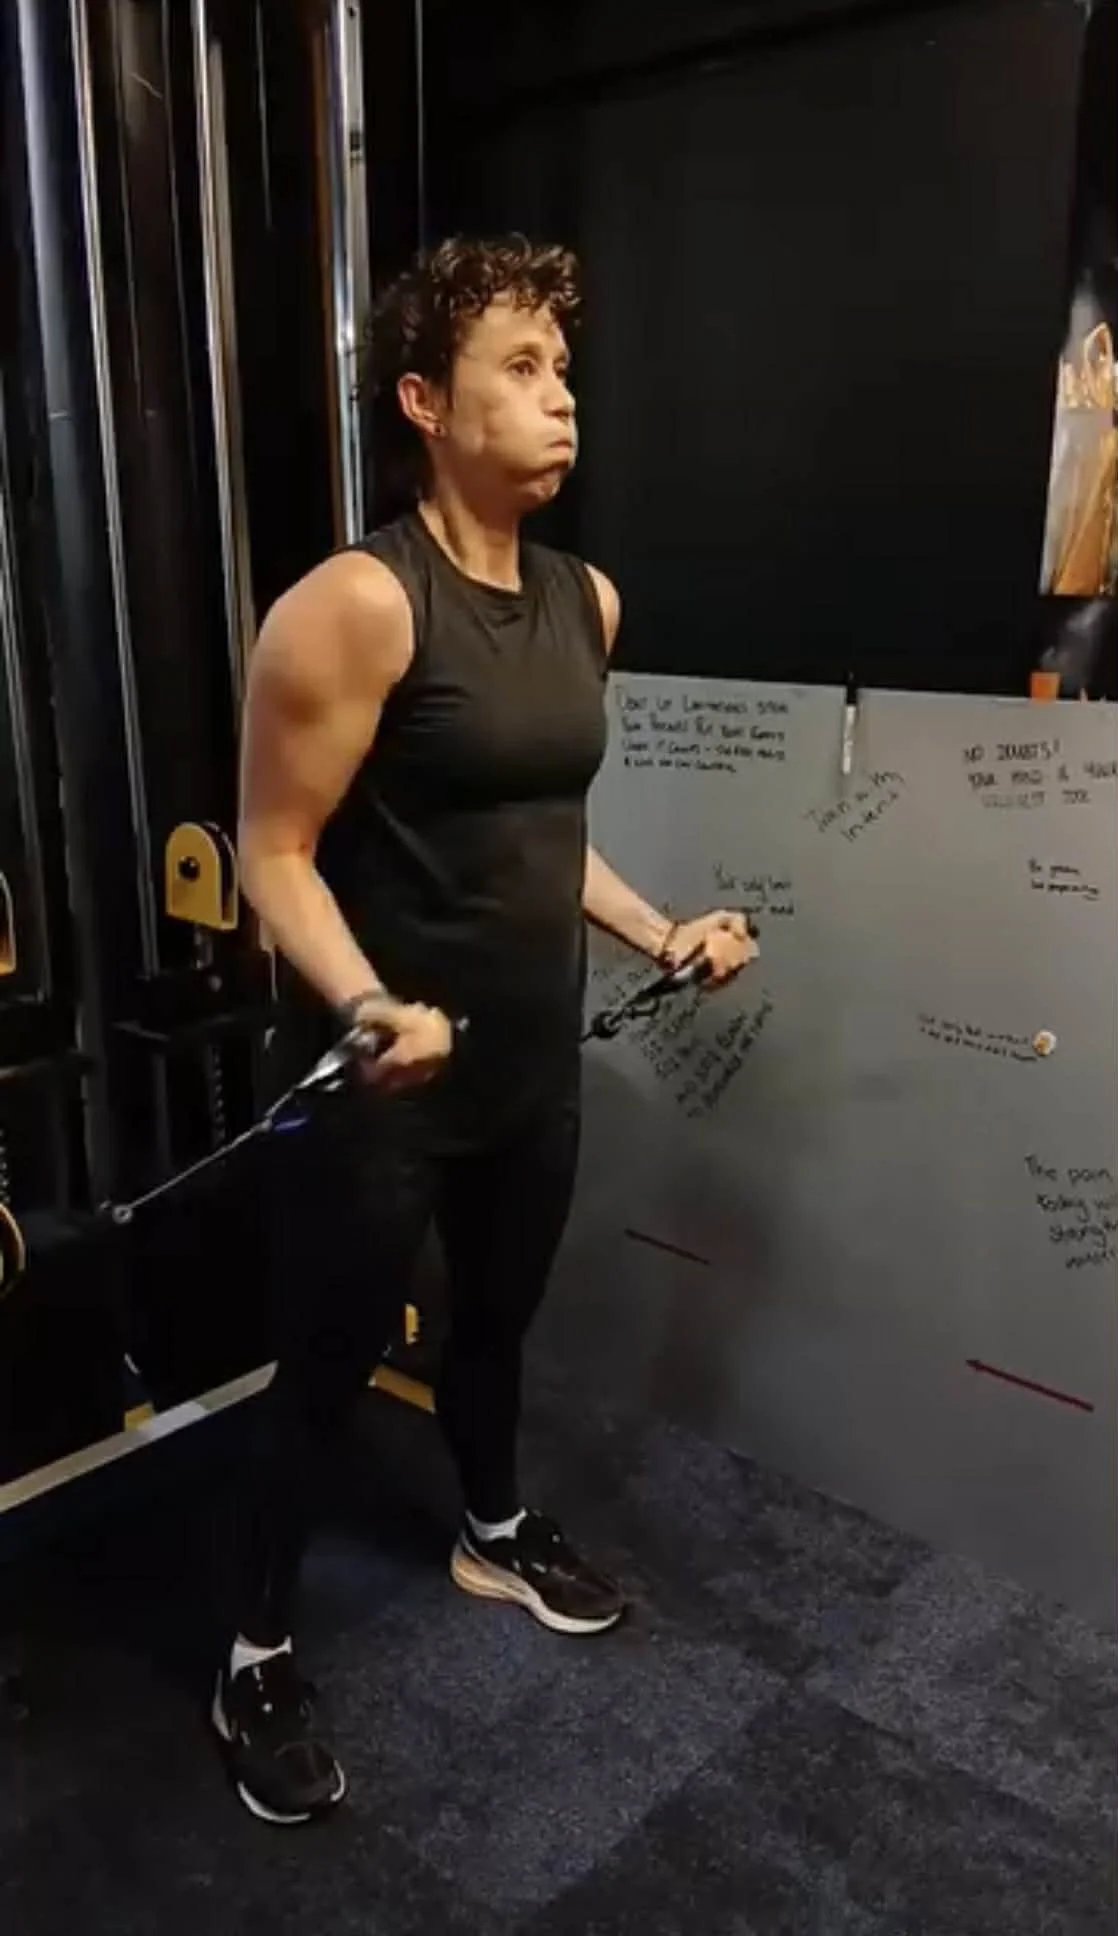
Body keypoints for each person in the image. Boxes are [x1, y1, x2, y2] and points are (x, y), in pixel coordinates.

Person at [217, 234, 757, 1826]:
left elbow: (537, 833)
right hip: (385, 1080)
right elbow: (272, 852)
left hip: (529, 1064)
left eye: (562, 368)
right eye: (517, 369)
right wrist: (369, 1004)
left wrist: (662, 928)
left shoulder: (588, 602)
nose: (559, 398)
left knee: (497, 1328)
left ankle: (491, 1528)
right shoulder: (355, 606)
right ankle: (253, 1643)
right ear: (422, 402)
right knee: (319, 1368)